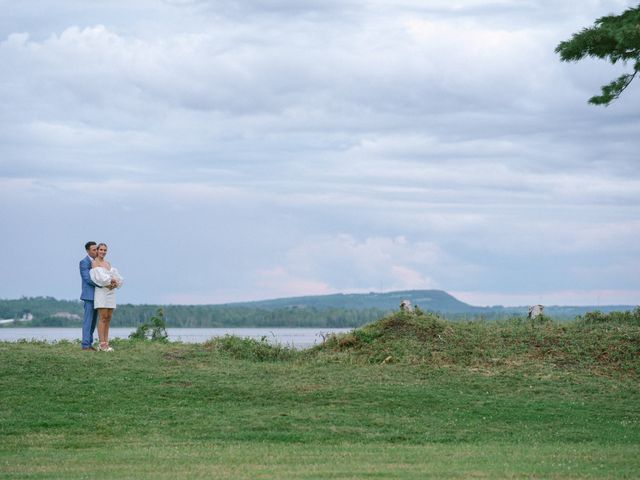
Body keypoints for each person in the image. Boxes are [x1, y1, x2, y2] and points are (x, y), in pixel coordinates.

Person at [90, 243, 123, 352]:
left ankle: (106, 342)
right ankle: (101, 343)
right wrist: (109, 282)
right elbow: (98, 278)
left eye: (105, 250)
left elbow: (115, 277)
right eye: (101, 250)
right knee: (102, 317)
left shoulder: (108, 263)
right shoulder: (95, 263)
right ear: (97, 250)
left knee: (108, 317)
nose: (103, 252)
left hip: (111, 292)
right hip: (102, 292)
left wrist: (114, 283)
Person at [79, 241, 100, 350]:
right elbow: (87, 279)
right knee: (88, 321)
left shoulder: (97, 262)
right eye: (93, 249)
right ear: (88, 251)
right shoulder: (84, 262)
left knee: (93, 322)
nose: (96, 251)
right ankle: (85, 345)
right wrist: (102, 284)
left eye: (97, 249)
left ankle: (89, 344)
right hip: (89, 296)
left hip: (98, 296)